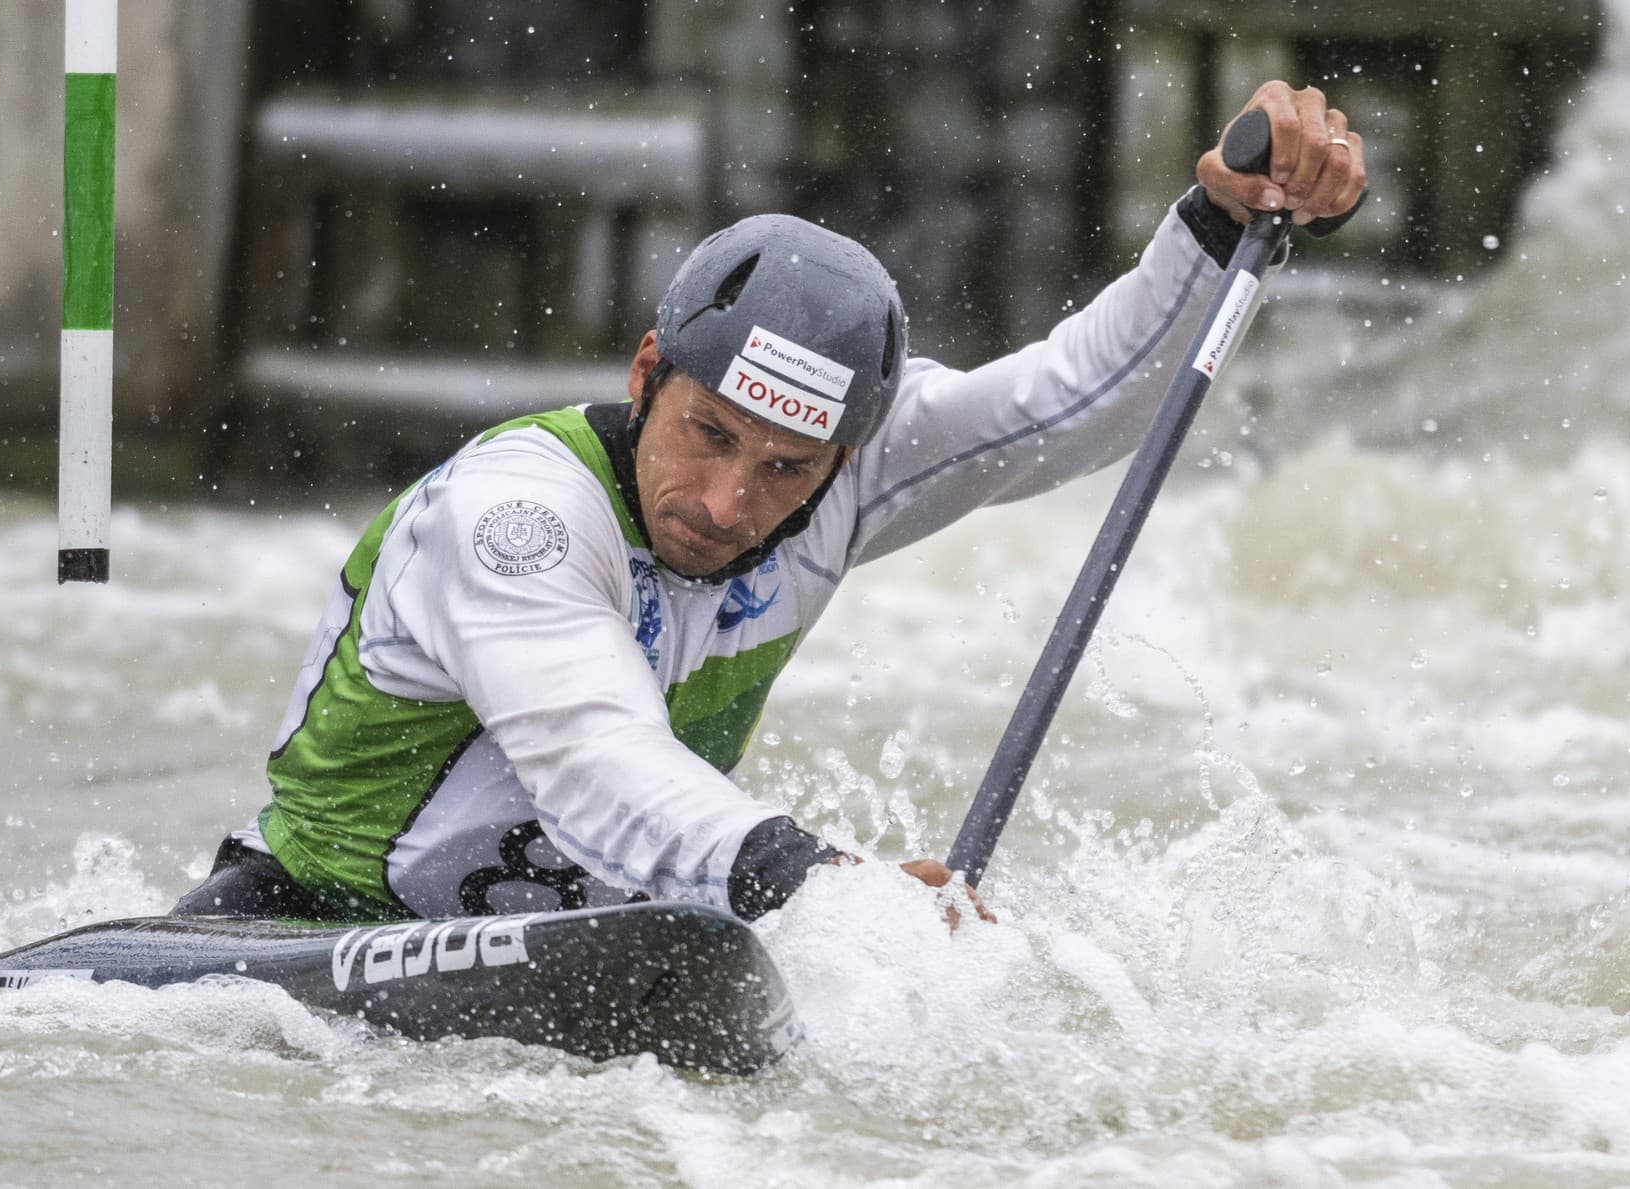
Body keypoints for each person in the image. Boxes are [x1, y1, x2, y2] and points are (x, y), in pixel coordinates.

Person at [172, 81, 1367, 925]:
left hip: (609, 926)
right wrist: (834, 891)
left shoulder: (845, 473)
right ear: (648, 376)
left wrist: (1218, 222)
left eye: (789, 467)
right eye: (708, 436)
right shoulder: (513, 516)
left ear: (844, 455)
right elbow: (597, 769)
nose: (729, 500)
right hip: (300, 928)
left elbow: (1079, 401)